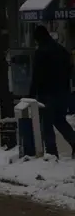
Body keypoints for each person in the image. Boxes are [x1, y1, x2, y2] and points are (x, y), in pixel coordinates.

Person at [29, 24, 75, 157]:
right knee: (60, 120)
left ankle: (51, 153)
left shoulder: (41, 52)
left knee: (47, 124)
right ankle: (74, 141)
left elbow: (36, 75)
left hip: (47, 93)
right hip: (62, 92)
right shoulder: (61, 50)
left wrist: (31, 94)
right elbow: (70, 68)